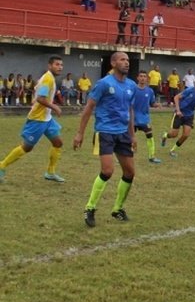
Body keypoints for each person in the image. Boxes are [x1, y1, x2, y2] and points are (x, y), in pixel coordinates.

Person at [73, 52, 138, 228]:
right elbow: (88, 108)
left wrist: (132, 135)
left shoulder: (131, 85)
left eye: (127, 60)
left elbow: (130, 111)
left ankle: (117, 209)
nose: (126, 63)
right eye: (122, 60)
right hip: (105, 132)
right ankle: (90, 207)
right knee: (108, 171)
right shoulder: (104, 84)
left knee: (130, 173)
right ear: (113, 62)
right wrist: (80, 133)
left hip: (123, 132)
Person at [0, 55, 66, 183]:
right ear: (50, 65)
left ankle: (50, 172)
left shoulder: (49, 78)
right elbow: (41, 98)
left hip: (47, 118)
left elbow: (38, 91)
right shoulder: (48, 78)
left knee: (58, 143)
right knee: (27, 147)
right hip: (38, 118)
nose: (60, 67)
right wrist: (55, 107)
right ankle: (2, 165)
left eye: (61, 65)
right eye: (57, 64)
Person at [161, 76, 195, 158]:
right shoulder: (190, 90)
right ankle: (165, 135)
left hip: (189, 116)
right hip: (180, 113)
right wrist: (178, 110)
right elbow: (176, 97)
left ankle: (173, 150)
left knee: (186, 135)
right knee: (174, 134)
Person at [133, 70, 162, 163]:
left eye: (144, 76)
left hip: (144, 119)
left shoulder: (149, 91)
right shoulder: (133, 89)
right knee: (127, 138)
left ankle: (151, 157)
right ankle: (124, 156)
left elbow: (152, 103)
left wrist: (156, 105)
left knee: (150, 136)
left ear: (147, 79)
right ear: (137, 78)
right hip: (132, 119)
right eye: (141, 76)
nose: (142, 78)